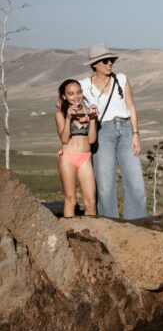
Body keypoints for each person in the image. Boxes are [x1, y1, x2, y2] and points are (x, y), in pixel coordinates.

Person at [80, 43, 147, 219]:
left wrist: (135, 134)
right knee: (105, 185)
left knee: (136, 183)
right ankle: (110, 225)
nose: (109, 63)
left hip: (125, 130)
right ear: (94, 64)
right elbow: (68, 102)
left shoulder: (122, 79)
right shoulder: (84, 86)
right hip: (102, 132)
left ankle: (138, 225)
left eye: (111, 60)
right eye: (105, 61)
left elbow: (131, 107)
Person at [54, 79, 97, 217]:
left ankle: (92, 234)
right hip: (67, 158)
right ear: (64, 96)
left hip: (85, 157)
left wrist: (92, 118)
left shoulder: (89, 111)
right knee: (70, 200)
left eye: (78, 92)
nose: (76, 96)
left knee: (90, 201)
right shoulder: (60, 113)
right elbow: (64, 139)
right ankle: (69, 234)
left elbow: (92, 139)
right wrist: (68, 118)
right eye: (71, 93)